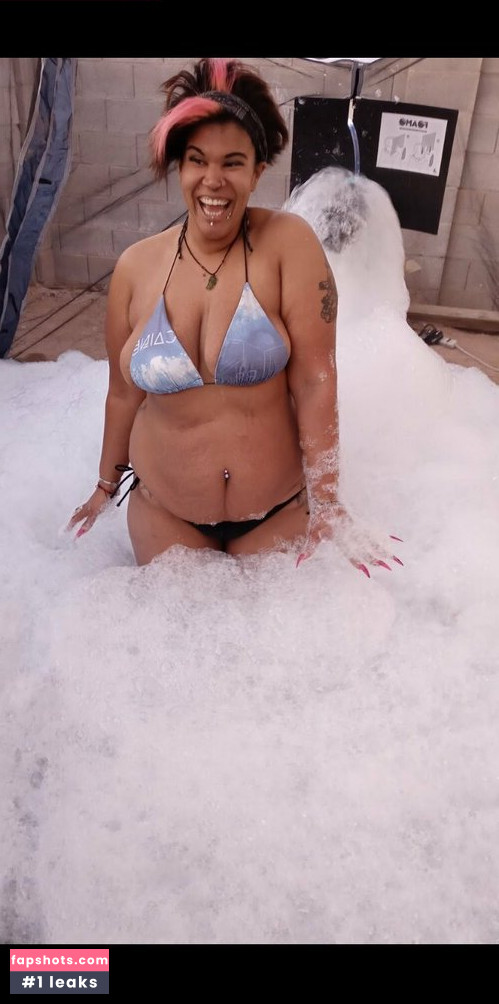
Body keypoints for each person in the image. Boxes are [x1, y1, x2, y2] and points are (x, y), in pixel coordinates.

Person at [68, 56, 402, 576]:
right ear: (180, 166)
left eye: (232, 163)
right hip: (165, 515)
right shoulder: (135, 267)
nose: (213, 180)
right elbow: (122, 393)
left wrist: (329, 501)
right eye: (197, 160)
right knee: (180, 627)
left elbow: (316, 380)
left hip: (277, 513)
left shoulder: (289, 246)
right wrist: (104, 486)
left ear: (257, 171)